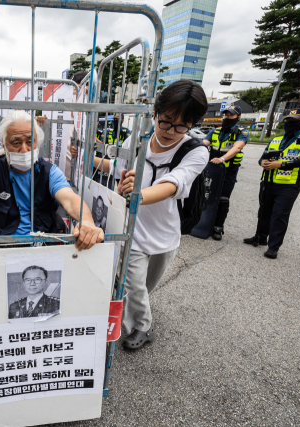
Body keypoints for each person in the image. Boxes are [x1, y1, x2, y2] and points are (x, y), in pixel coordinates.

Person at [116, 80, 209, 350]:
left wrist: (138, 195)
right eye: (166, 121)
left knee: (145, 285)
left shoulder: (195, 151)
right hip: (132, 230)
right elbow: (118, 167)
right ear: (155, 113)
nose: (171, 130)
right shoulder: (136, 141)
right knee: (134, 285)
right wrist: (86, 157)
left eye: (182, 125)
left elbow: (173, 184)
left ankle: (133, 312)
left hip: (166, 232)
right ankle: (142, 327)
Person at [0, 110, 104, 253]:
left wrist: (86, 221)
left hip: (43, 246)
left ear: (37, 142)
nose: (24, 149)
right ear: (4, 143)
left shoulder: (50, 172)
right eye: (16, 143)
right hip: (1, 248)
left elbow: (71, 200)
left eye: (29, 141)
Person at [243, 108, 300, 259]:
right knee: (264, 211)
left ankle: (274, 247)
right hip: (268, 181)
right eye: (288, 120)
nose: (290, 122)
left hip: (289, 184)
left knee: (279, 215)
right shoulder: (276, 139)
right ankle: (260, 237)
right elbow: (262, 157)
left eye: (294, 120)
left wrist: (281, 165)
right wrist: (263, 162)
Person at [203, 105, 250, 240]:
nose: (227, 117)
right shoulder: (215, 131)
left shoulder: (242, 132)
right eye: (226, 114)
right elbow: (204, 143)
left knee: (223, 199)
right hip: (211, 170)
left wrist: (222, 159)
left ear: (238, 117)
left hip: (228, 171)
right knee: (206, 196)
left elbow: (237, 147)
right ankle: (204, 223)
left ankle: (218, 227)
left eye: (231, 115)